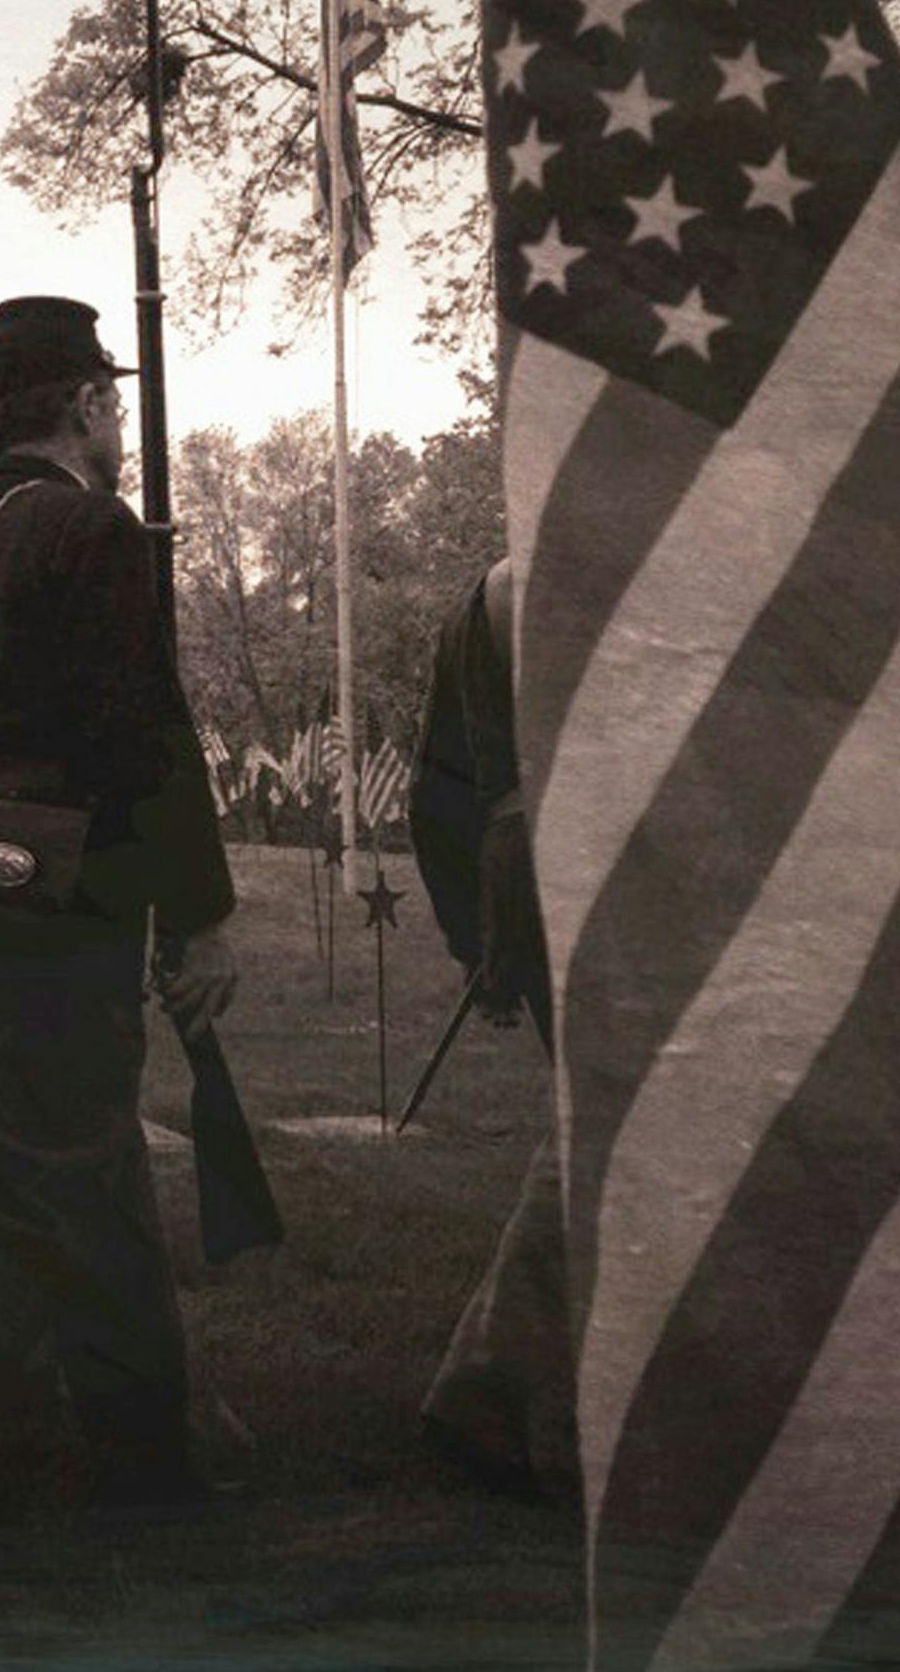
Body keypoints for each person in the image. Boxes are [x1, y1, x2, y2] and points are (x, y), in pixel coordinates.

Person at [0, 295, 241, 1512]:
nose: (119, 416)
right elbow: (140, 731)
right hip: (62, 902)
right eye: (111, 397)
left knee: (67, 1178)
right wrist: (202, 907)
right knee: (67, 1185)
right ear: (84, 404)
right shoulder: (88, 527)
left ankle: (139, 1447)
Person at [409, 559, 574, 1498]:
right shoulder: (554, 584)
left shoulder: (484, 592)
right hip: (586, 886)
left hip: (533, 885)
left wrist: (473, 934)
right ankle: (500, 1389)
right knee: (605, 1131)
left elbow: (438, 795)